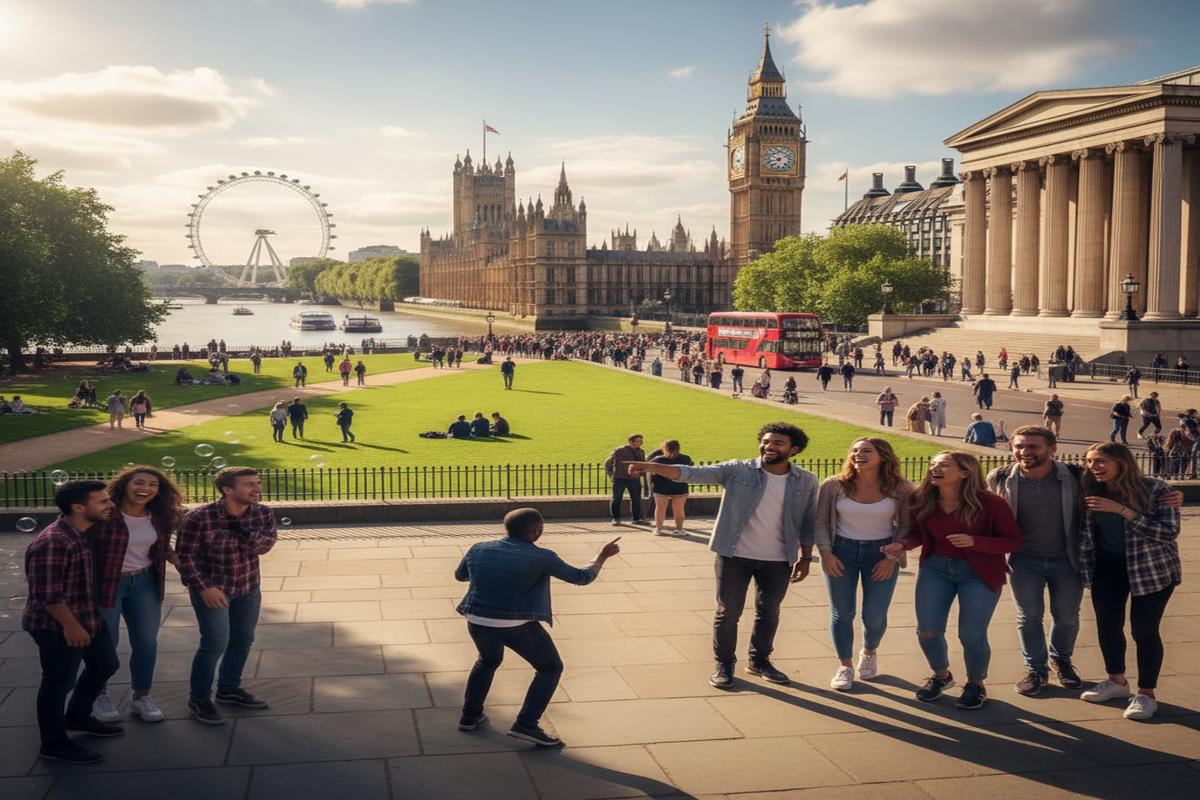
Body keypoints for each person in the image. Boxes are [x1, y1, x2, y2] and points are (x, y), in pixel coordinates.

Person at [628, 423, 818, 690]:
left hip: (778, 559)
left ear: (794, 449)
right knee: (728, 613)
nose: (769, 446)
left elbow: (809, 521)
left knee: (769, 612)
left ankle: (759, 661)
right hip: (734, 555)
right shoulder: (738, 469)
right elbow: (693, 473)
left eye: (778, 443)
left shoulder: (806, 480)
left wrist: (806, 558)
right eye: (766, 441)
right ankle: (724, 664)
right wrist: (651, 467)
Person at [454, 508, 621, 747]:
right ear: (537, 531)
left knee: (487, 661)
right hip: (516, 625)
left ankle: (469, 716)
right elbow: (581, 577)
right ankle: (526, 724)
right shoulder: (542, 557)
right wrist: (602, 556)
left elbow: (461, 576)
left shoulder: (478, 548)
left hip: (477, 620)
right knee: (550, 668)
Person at [883, 451, 1022, 710]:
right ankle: (941, 675)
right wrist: (901, 544)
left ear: (965, 472)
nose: (934, 468)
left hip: (978, 572)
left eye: (944, 465)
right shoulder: (922, 499)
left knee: (971, 635)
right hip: (935, 569)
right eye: (932, 464)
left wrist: (975, 542)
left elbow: (1012, 541)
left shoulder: (992, 504)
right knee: (927, 631)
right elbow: (917, 534)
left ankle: (976, 684)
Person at [1078, 443, 1181, 720]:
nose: (1093, 467)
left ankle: (1146, 694)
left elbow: (1168, 533)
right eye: (1089, 461)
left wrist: (1123, 510)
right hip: (1107, 568)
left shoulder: (1156, 489)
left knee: (1144, 631)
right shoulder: (1089, 487)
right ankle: (1116, 681)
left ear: (1121, 462)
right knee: (1108, 626)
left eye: (1100, 461)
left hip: (1150, 569)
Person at [23, 481, 122, 764]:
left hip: (87, 616)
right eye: (102, 501)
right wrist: (71, 625)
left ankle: (78, 716)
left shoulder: (83, 531)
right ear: (78, 507)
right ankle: (53, 744)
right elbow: (47, 595)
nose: (110, 505)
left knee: (105, 664)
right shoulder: (54, 542)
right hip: (56, 625)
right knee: (58, 683)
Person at [175, 467, 277, 725]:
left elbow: (264, 546)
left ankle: (229, 689)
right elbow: (185, 557)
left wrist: (238, 528)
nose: (257, 489)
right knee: (214, 643)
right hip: (213, 589)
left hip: (248, 587)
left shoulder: (263, 513)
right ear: (228, 490)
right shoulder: (198, 517)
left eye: (258, 483)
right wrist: (204, 588)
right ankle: (199, 699)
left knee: (242, 640)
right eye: (249, 484)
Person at [815, 438, 914, 691]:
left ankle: (869, 651)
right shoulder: (833, 485)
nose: (858, 454)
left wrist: (891, 558)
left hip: (881, 554)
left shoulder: (901, 488)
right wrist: (826, 553)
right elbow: (822, 523)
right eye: (855, 450)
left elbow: (907, 526)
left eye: (867, 451)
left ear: (883, 456)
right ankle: (845, 666)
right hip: (841, 552)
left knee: (875, 615)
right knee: (842, 613)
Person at [90, 466, 182, 725]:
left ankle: (141, 695)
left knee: (146, 643)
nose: (145, 488)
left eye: (152, 484)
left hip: (144, 583)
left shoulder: (159, 515)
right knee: (106, 644)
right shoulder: (105, 513)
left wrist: (177, 560)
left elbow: (160, 547)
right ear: (124, 486)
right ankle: (97, 693)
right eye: (139, 482)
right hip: (107, 584)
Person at [647, 439, 693, 537]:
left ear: (665, 448)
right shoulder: (686, 458)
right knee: (679, 509)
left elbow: (649, 469)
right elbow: (690, 471)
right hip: (680, 486)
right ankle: (680, 529)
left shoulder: (658, 459)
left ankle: (658, 529)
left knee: (660, 509)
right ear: (678, 448)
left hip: (661, 487)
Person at [604, 434, 647, 525]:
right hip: (620, 478)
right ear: (631, 441)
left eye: (641, 441)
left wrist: (640, 473)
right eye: (638, 441)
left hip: (634, 479)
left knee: (636, 499)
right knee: (617, 498)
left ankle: (636, 519)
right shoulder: (619, 450)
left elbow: (643, 465)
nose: (641, 443)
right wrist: (611, 475)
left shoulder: (641, 452)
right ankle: (615, 518)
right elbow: (607, 463)